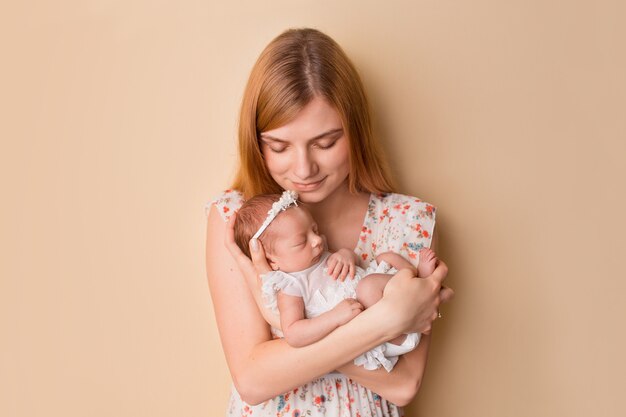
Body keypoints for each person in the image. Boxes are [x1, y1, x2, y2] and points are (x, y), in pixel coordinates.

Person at [205, 28, 453, 416]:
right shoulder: (240, 221)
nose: (304, 169)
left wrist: (286, 327)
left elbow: (403, 385)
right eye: (279, 146)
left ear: (355, 132)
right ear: (256, 142)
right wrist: (386, 319)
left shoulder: (406, 220)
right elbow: (253, 379)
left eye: (325, 143)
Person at [232, 191, 439, 372]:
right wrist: (335, 317)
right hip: (382, 333)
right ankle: (418, 291)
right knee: (368, 288)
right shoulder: (290, 285)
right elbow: (294, 333)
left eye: (314, 229)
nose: (317, 240)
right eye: (301, 241)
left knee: (385, 258)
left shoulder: (315, 254)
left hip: (390, 301)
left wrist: (346, 255)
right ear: (272, 261)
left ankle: (418, 280)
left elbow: (356, 266)